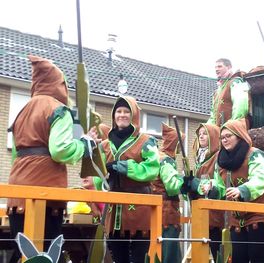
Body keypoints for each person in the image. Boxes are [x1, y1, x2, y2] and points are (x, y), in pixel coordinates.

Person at [7, 55, 100, 262]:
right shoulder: (58, 109)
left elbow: (15, 154)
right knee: (47, 254)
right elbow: (60, 149)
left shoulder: (22, 111)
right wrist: (85, 143)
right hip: (46, 192)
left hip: (17, 192)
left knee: (24, 253)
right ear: (60, 84)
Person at [204, 119, 264, 263]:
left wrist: (242, 190)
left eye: (229, 136)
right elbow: (222, 187)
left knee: (258, 260)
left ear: (239, 136)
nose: (225, 140)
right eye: (222, 138)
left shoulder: (255, 154)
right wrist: (212, 188)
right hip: (238, 220)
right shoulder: (221, 161)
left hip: (262, 216)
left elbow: (259, 180)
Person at [95, 96, 160, 263]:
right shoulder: (104, 145)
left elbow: (153, 169)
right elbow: (96, 176)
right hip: (113, 209)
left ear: (134, 116)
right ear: (113, 115)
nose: (122, 115)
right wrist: (104, 177)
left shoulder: (146, 141)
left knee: (139, 257)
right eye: (118, 111)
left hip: (138, 208)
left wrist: (126, 167)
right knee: (117, 257)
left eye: (126, 111)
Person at [151, 123, 185, 263]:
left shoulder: (155, 158)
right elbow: (172, 187)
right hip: (167, 212)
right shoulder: (166, 160)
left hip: (156, 212)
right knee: (169, 254)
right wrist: (185, 181)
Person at [192, 123, 222, 261]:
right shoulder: (200, 158)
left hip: (217, 215)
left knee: (219, 252)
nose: (201, 136)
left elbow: (218, 182)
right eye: (200, 134)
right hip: (203, 214)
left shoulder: (218, 157)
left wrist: (200, 185)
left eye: (205, 133)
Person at [207, 58, 250, 127]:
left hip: (235, 131)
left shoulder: (235, 82)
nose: (216, 69)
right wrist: (207, 130)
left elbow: (240, 104)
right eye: (215, 67)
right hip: (220, 133)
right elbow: (213, 116)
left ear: (229, 67)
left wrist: (233, 125)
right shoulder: (217, 92)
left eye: (219, 66)